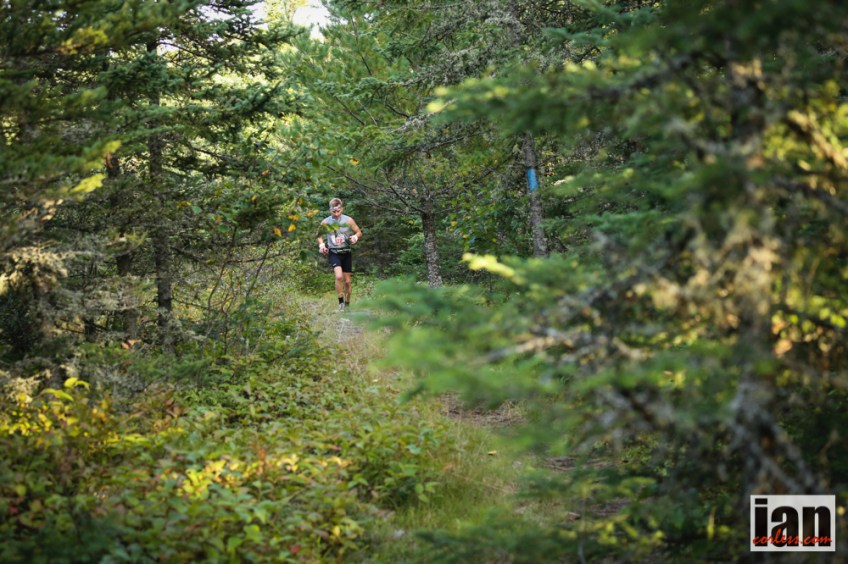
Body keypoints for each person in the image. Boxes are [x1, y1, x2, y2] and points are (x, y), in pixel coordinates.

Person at [317, 198, 362, 312]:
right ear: (330, 210)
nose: (336, 214)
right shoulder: (326, 222)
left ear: (342, 209)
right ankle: (340, 303)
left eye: (338, 211)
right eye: (334, 211)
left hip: (346, 252)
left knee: (347, 281)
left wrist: (355, 237)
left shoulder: (348, 220)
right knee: (338, 277)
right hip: (334, 252)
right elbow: (319, 235)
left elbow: (359, 232)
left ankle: (347, 304)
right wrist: (322, 245)